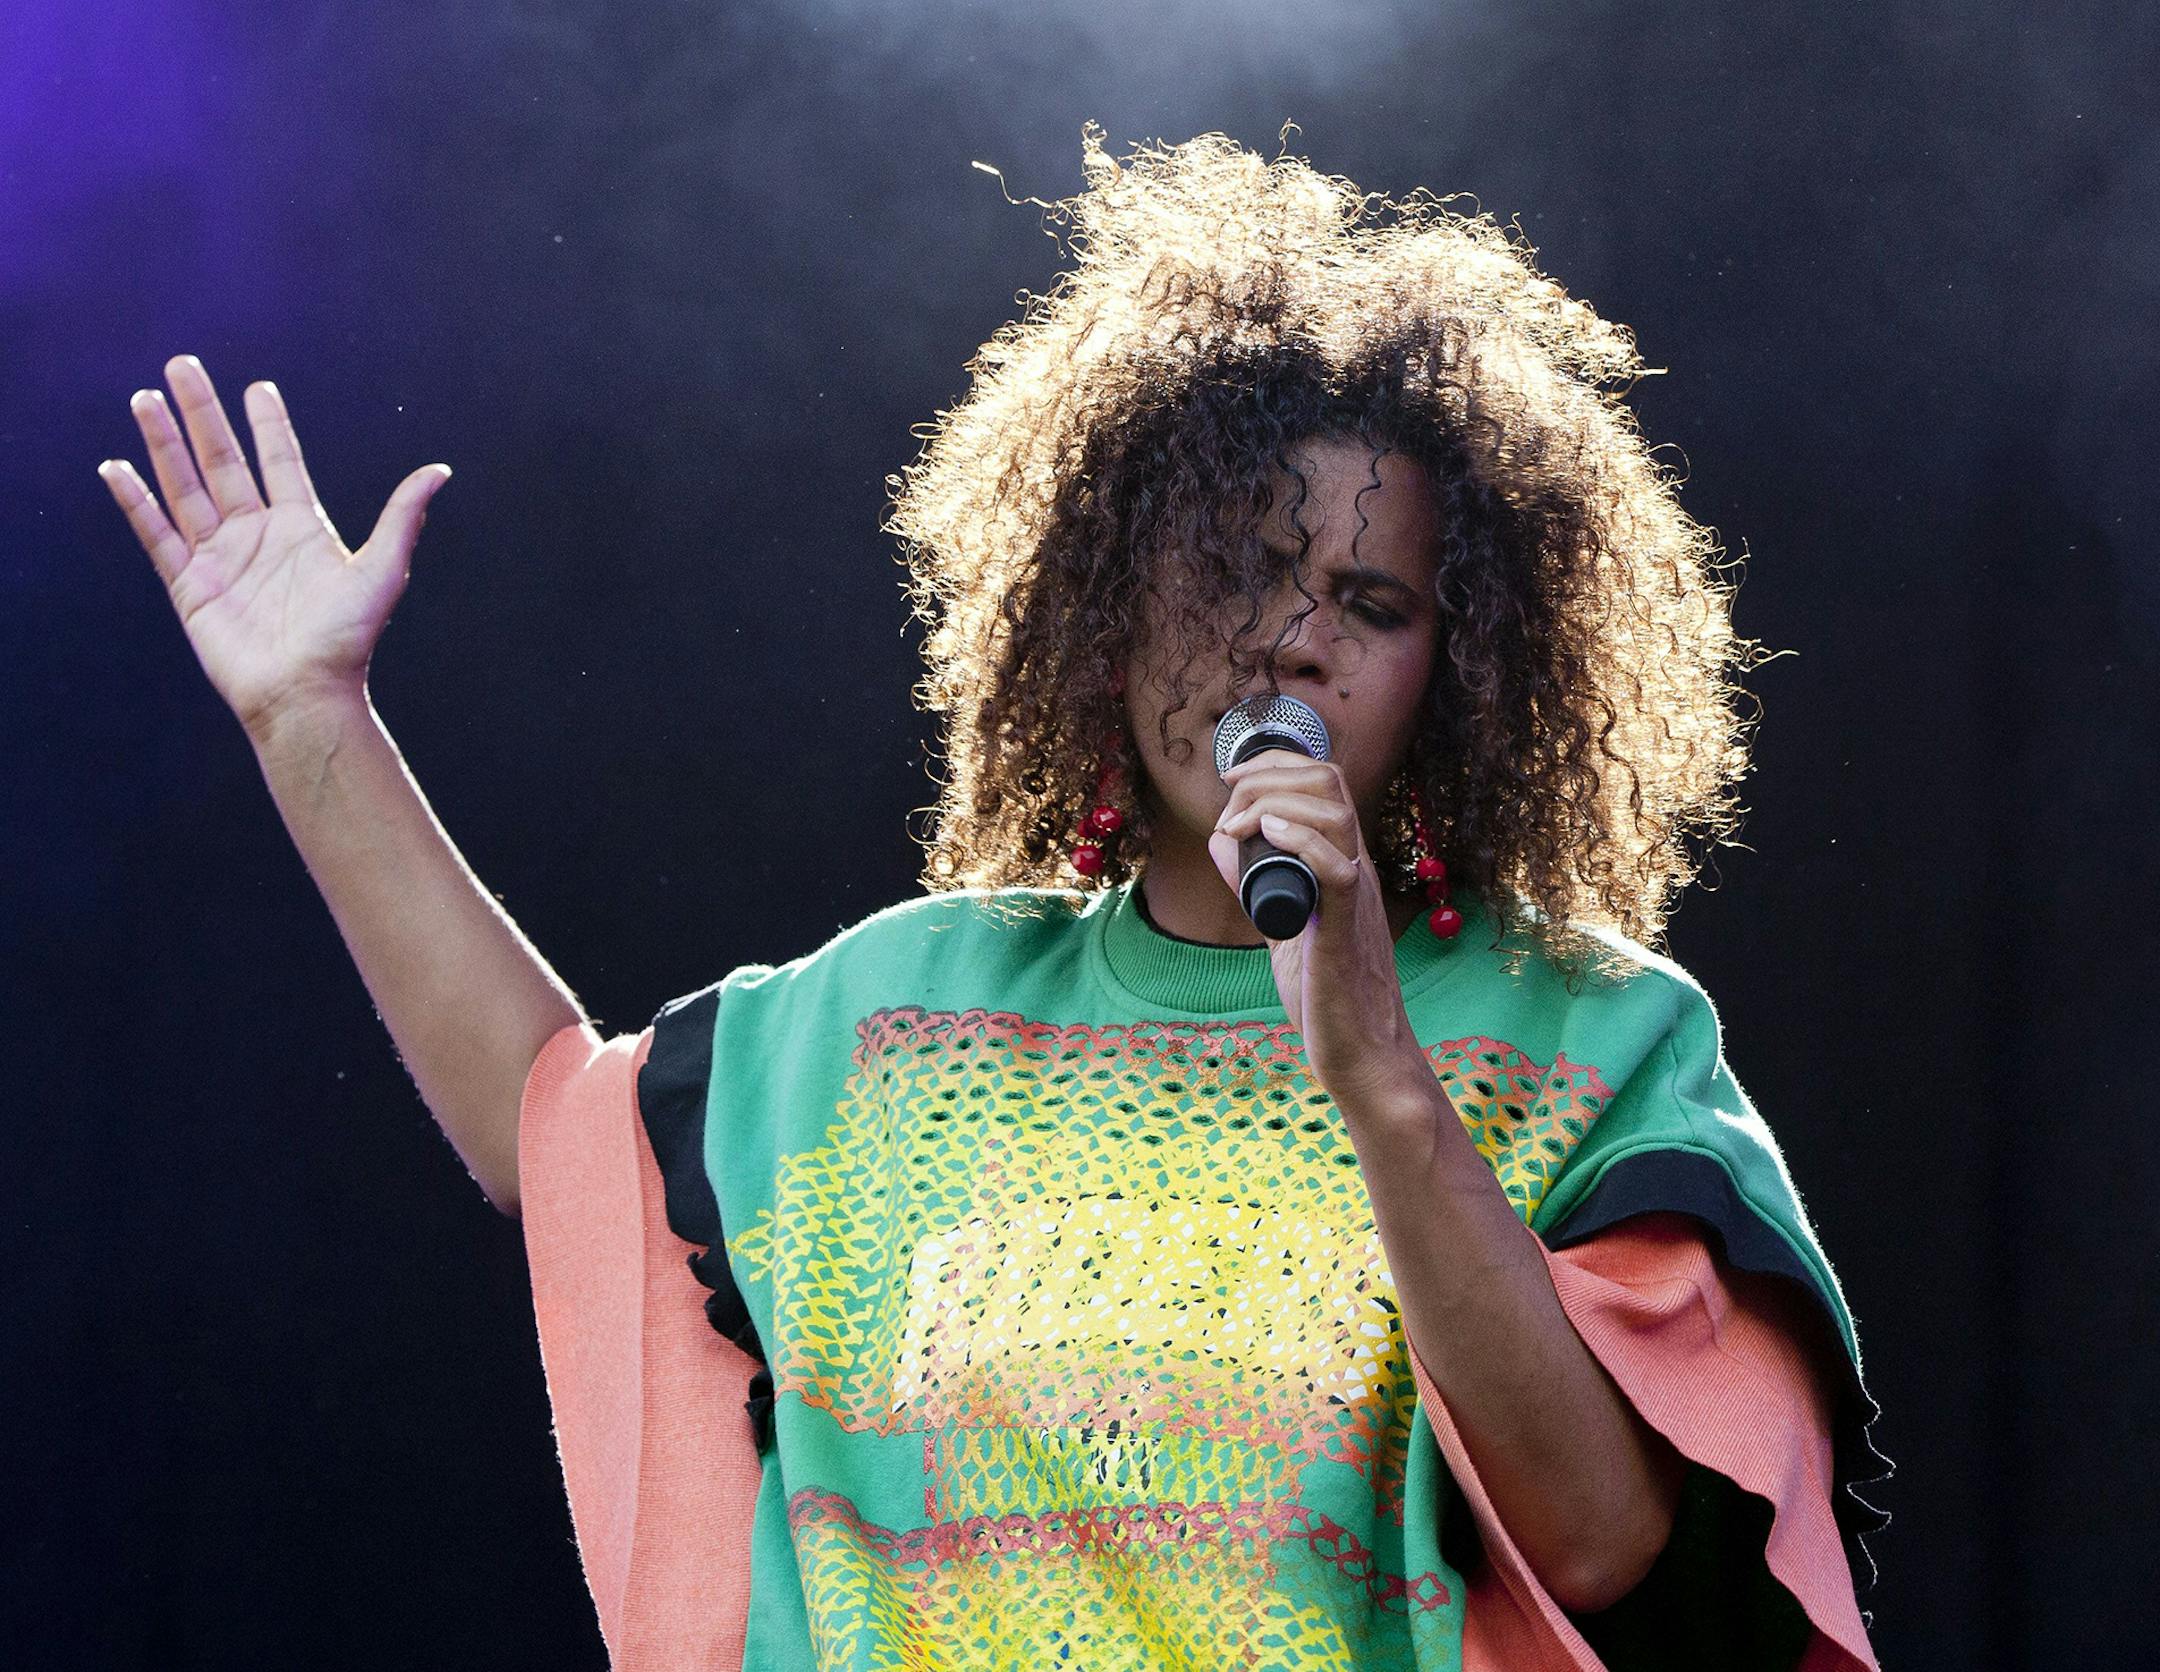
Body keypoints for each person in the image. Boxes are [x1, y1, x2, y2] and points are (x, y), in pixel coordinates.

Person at [100, 127, 1888, 1671]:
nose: (1289, 636)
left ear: (1462, 669)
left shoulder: (1590, 1040)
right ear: (1104, 598)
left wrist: (1382, 1076)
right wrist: (310, 724)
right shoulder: (901, 1022)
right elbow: (549, 1123)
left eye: (1369, 600)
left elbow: (1618, 1563)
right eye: (1241, 563)